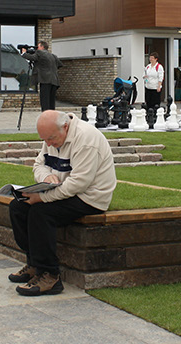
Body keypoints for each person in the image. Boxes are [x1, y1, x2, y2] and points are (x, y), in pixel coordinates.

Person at [8, 110, 117, 296]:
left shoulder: (86, 139)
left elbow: (79, 184)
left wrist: (42, 197)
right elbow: (38, 164)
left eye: (50, 139)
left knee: (40, 213)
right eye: (45, 140)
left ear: (65, 127)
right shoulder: (52, 134)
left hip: (90, 197)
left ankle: (50, 276)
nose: (48, 144)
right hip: (65, 190)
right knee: (18, 207)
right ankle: (34, 263)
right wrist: (46, 176)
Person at [22, 41, 62, 111]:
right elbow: (60, 64)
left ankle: (45, 117)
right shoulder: (53, 56)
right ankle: (52, 117)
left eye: (38, 47)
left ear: (42, 47)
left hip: (45, 80)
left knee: (44, 101)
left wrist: (24, 53)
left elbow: (32, 58)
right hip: (55, 81)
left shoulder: (40, 53)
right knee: (51, 102)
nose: (37, 49)